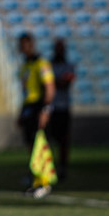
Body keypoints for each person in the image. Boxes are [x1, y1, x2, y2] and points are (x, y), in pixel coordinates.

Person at [17, 32, 55, 198]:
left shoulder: (41, 64)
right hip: (29, 108)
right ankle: (35, 178)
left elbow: (49, 88)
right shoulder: (25, 66)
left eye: (24, 44)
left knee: (40, 145)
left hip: (38, 108)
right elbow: (26, 92)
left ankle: (44, 183)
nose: (21, 48)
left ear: (30, 45)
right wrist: (21, 112)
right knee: (30, 145)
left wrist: (45, 110)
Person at [48, 38, 75, 180]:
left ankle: (63, 167)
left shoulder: (68, 65)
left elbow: (66, 83)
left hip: (63, 108)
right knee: (49, 140)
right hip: (51, 109)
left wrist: (55, 81)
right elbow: (49, 82)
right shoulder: (49, 65)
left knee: (64, 140)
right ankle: (50, 167)